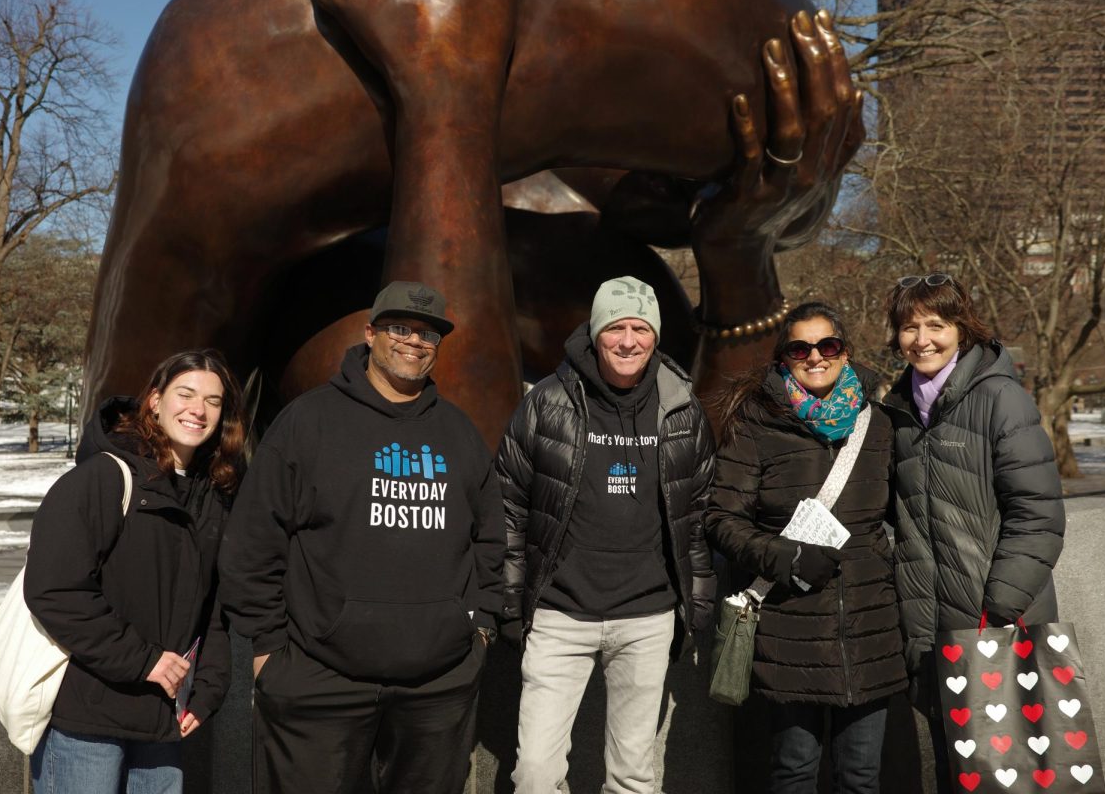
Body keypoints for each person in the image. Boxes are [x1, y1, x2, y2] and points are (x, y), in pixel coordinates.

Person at [219, 281, 505, 794]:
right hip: (319, 679)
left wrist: (478, 630)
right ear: (370, 333)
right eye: (400, 328)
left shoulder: (460, 434)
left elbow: (490, 540)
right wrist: (268, 651)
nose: (414, 342)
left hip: (438, 683)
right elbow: (254, 541)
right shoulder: (308, 423)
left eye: (427, 334)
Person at [497, 275, 717, 794]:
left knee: (633, 777)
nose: (628, 340)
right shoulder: (546, 403)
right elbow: (508, 504)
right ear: (595, 334)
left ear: (655, 337)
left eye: (640, 328)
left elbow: (701, 512)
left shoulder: (682, 407)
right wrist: (509, 601)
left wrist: (699, 602)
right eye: (615, 327)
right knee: (534, 775)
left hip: (647, 616)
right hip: (558, 615)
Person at [704, 302, 907, 793]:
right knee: (793, 771)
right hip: (789, 628)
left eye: (828, 345)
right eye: (800, 348)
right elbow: (720, 518)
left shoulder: (879, 425)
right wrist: (784, 555)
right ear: (784, 358)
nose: (815, 356)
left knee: (861, 777)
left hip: (869, 626)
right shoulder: (756, 424)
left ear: (846, 352)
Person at [23, 349, 246, 793]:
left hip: (165, 721)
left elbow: (217, 606)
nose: (197, 410)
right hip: (88, 718)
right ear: (154, 401)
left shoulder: (214, 494)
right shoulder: (104, 477)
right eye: (185, 394)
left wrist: (208, 688)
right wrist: (143, 661)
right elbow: (54, 590)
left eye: (213, 401)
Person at [879, 273, 1065, 791]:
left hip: (995, 623)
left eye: (936, 325)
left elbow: (1038, 514)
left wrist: (998, 607)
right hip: (929, 626)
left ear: (962, 328)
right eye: (909, 327)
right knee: (956, 771)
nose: (922, 340)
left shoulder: (1001, 398)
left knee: (1013, 777)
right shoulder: (897, 412)